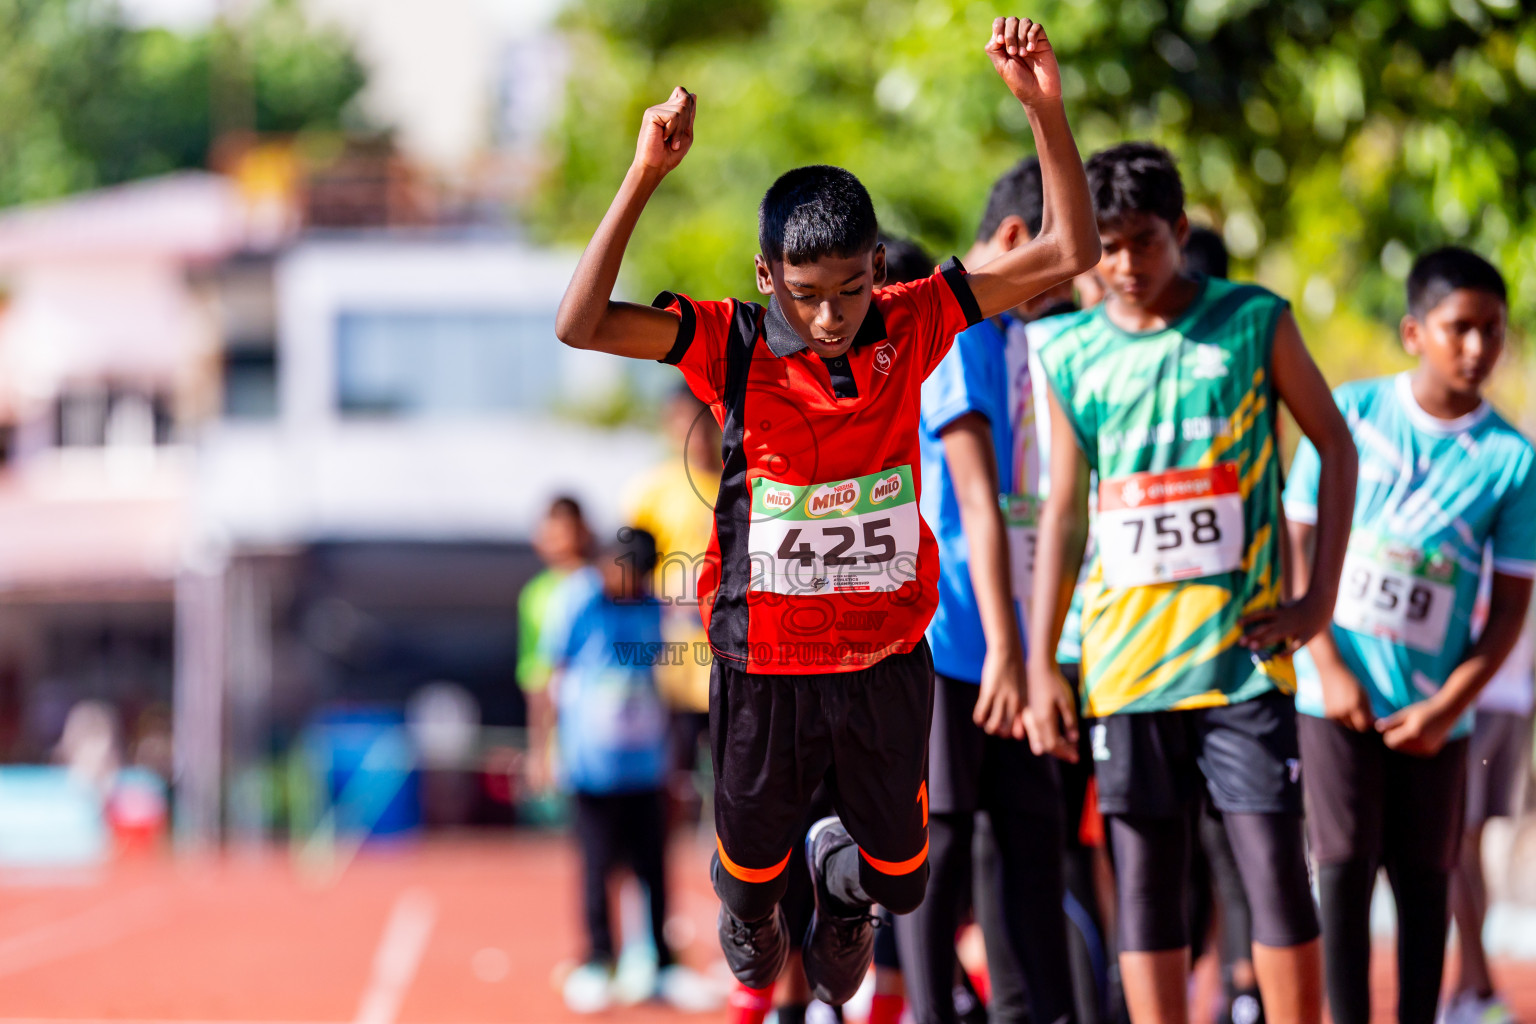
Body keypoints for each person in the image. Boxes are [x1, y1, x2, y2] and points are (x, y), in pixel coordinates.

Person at [553, 16, 1100, 1006]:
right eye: (807, 294)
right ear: (768, 280)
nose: (832, 314)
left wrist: (1044, 111)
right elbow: (581, 322)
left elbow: (1069, 251)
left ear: (877, 277)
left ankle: (842, 885)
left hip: (887, 664)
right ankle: (758, 901)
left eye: (851, 289)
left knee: (897, 891)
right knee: (759, 954)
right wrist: (643, 173)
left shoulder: (917, 320)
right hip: (764, 672)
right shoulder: (731, 345)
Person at [1029, 141, 1358, 1024]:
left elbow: (1336, 442)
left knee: (1273, 868)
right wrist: (1035, 667)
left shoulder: (1253, 321)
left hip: (1242, 660)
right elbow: (1063, 513)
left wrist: (1319, 601)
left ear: (1179, 231)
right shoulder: (1064, 350)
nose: (1124, 264)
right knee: (1145, 880)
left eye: (1143, 241)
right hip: (1127, 665)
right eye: (1104, 245)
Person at [1284, 247, 1536, 1024]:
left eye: (1492, 331)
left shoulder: (1512, 459)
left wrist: (1447, 703)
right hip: (1337, 698)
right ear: (1413, 331)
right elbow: (1298, 546)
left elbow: (1509, 607)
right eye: (1460, 328)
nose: (1477, 348)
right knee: (1344, 872)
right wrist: (1327, 661)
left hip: (1436, 717)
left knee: (1427, 882)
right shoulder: (1351, 416)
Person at [899, 154, 1080, 1024]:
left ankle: (1032, 1010)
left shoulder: (1015, 337)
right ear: (1014, 241)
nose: (1057, 285)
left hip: (1007, 636)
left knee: (1031, 840)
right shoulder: (955, 324)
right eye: (1048, 266)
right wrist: (1016, 653)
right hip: (950, 637)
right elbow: (972, 494)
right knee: (940, 842)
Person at [544, 528, 716, 1013]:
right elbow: (550, 674)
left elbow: (681, 636)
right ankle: (599, 960)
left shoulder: (651, 605)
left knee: (653, 864)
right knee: (598, 864)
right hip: (591, 764)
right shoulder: (576, 601)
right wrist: (548, 749)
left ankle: (661, 964)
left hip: (645, 763)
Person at [1179, 224, 1265, 1024]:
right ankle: (1227, 988)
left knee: (1219, 841)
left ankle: (1234, 989)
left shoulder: (1237, 365)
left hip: (1219, 655)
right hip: (1157, 656)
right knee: (1209, 843)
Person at [626, 386, 724, 823]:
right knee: (668, 780)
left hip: (729, 656)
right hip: (672, 662)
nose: (695, 434)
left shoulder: (740, 480)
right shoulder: (651, 490)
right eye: (683, 421)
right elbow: (628, 573)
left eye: (701, 421)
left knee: (732, 775)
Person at [1447, 615, 1533, 1024]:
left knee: (1455, 843)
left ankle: (1477, 987)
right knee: (1465, 845)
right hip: (1506, 694)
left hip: (1475, 698)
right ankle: (1470, 991)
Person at [517, 495, 593, 798]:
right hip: (564, 732)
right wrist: (539, 749)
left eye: (565, 533)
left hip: (604, 723)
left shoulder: (603, 586)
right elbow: (535, 677)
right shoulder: (535, 595)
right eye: (550, 534)